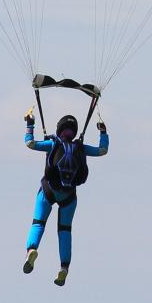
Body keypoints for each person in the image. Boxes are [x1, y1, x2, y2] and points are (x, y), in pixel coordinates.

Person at [22, 106, 109, 286]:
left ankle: (32, 250)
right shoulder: (80, 147)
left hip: (48, 190)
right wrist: (103, 132)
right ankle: (64, 268)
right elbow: (102, 150)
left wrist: (30, 124)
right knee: (65, 230)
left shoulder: (52, 144)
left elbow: (30, 144)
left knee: (38, 223)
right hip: (69, 196)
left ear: (59, 129)